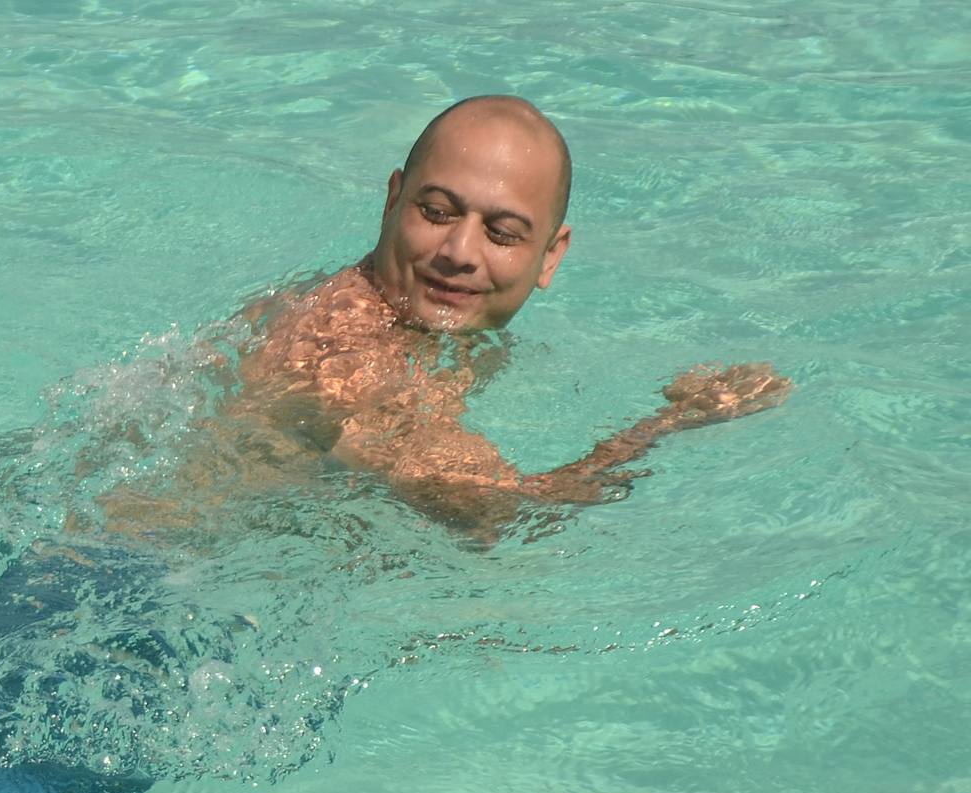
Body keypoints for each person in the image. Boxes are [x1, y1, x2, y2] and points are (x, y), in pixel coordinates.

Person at [102, 95, 791, 538]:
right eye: (436, 212)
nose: (458, 253)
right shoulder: (346, 350)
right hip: (100, 583)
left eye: (502, 232)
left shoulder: (389, 319)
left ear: (550, 256)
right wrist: (669, 425)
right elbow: (498, 518)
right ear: (392, 202)